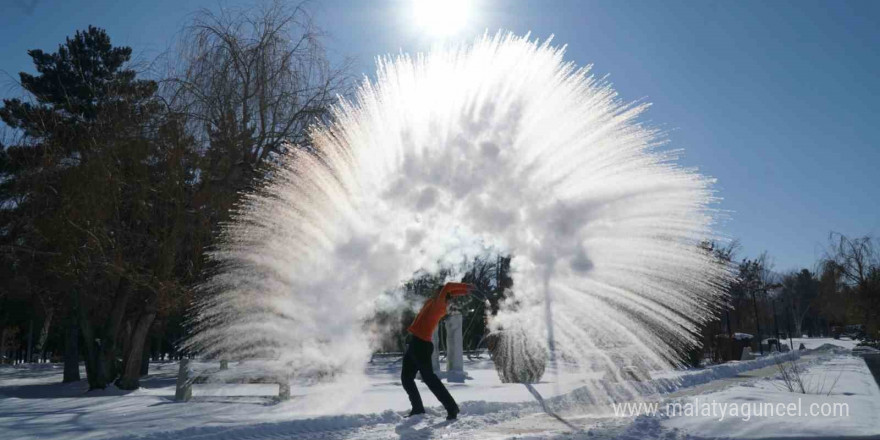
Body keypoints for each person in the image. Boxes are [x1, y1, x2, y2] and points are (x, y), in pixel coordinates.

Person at [401, 282, 472, 420]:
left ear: (442, 295)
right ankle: (418, 408)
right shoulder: (433, 302)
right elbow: (450, 292)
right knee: (406, 378)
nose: (435, 292)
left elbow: (448, 287)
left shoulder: (439, 305)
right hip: (415, 343)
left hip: (421, 346)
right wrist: (464, 292)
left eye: (438, 292)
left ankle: (452, 407)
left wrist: (467, 287)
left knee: (430, 379)